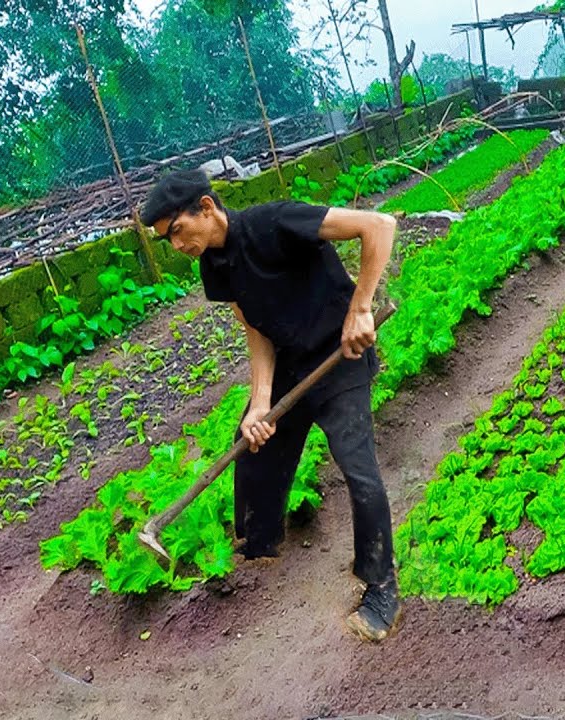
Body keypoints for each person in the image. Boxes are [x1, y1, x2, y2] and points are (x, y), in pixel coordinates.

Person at [140, 169, 401, 641]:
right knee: (253, 447)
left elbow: (379, 225)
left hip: (339, 357)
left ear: (206, 207)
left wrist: (361, 308)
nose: (176, 246)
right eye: (167, 240)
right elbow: (256, 329)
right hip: (291, 365)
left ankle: (381, 586)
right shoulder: (214, 266)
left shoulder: (276, 222)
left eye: (177, 231)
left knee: (357, 468)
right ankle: (259, 555)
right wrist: (260, 403)